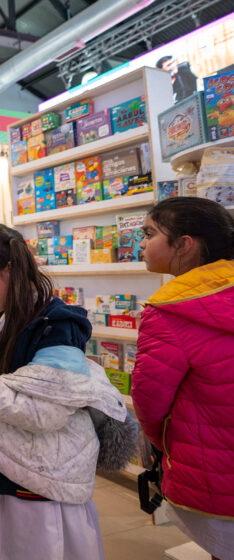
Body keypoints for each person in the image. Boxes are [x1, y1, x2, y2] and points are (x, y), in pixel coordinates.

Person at [0, 224, 130, 560]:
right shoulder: (11, 316)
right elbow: (3, 374)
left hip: (39, 475)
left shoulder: (56, 326)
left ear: (9, 271)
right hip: (8, 463)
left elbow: (41, 410)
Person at [132, 197, 234, 560]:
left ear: (184, 244)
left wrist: (161, 442)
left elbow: (149, 399)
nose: (141, 243)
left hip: (213, 468)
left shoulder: (169, 311)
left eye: (149, 233)